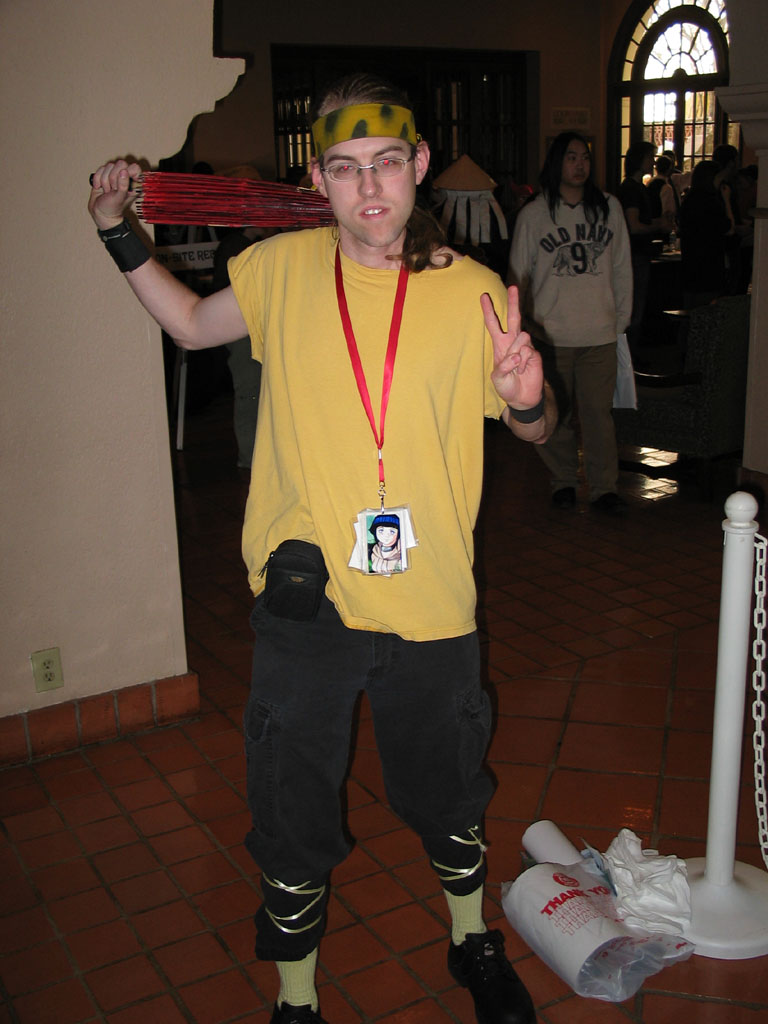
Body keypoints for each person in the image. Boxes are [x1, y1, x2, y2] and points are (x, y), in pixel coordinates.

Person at [88, 72, 556, 1024]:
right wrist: (115, 231)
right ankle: (295, 1000)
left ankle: (472, 940)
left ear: (420, 164)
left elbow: (537, 431)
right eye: (344, 167)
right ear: (318, 178)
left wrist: (527, 398)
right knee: (291, 806)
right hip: (310, 599)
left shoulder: (473, 292)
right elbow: (190, 324)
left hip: (431, 599)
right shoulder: (280, 267)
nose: (369, 187)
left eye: (386, 162)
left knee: (449, 790)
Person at [508, 132, 632, 514]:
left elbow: (622, 267)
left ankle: (604, 488)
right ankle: (563, 480)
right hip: (551, 335)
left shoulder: (609, 208)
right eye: (572, 157)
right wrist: (522, 327)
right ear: (556, 162)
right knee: (555, 415)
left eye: (585, 158)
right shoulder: (534, 214)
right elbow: (518, 274)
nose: (580, 165)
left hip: (599, 333)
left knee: (598, 417)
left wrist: (620, 321)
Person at [617, 141, 674, 352]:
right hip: (635, 256)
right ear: (640, 160)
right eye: (650, 157)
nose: (653, 162)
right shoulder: (632, 189)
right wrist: (659, 225)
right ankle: (629, 357)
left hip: (636, 255)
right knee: (634, 310)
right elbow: (634, 226)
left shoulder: (637, 187)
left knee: (635, 309)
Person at [678, 159, 734, 309]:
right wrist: (727, 200)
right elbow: (729, 228)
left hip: (690, 264)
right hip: (710, 266)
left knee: (690, 310)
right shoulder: (712, 202)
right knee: (708, 311)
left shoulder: (688, 200)